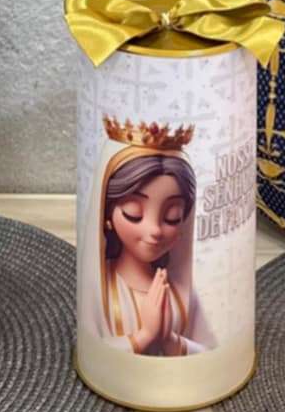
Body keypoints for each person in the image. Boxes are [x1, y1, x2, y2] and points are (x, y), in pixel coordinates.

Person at [78, 128, 215, 356]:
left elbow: (209, 353)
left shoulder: (181, 291)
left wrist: (170, 340)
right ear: (107, 214)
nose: (154, 230)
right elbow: (92, 349)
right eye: (134, 213)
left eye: (171, 217)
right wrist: (144, 336)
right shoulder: (99, 287)